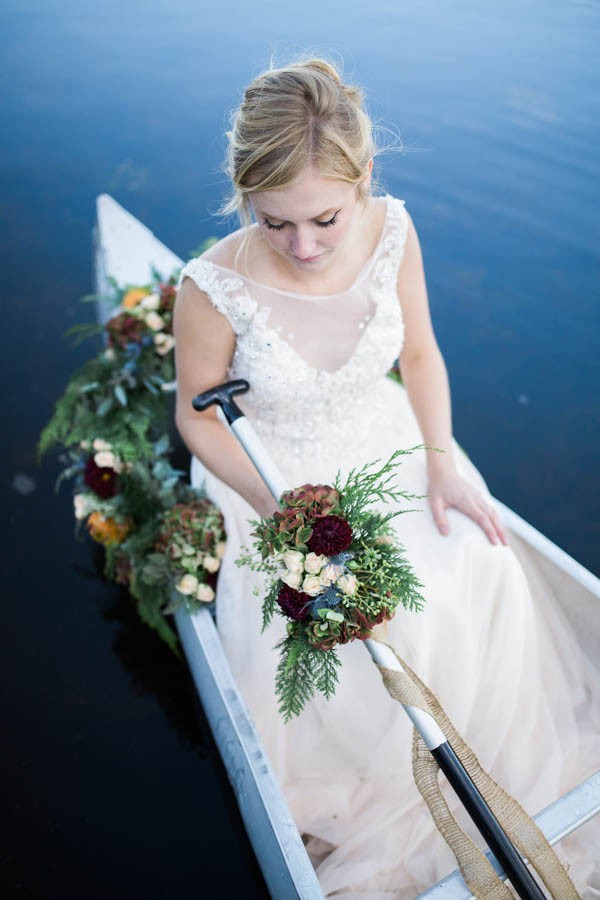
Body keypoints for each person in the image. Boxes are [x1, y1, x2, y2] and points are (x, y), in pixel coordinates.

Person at [173, 58, 600, 897]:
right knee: (364, 614)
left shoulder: (395, 229)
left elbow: (418, 353)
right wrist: (281, 512)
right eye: (274, 223)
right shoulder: (210, 286)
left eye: (325, 219)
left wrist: (442, 461)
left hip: (388, 438)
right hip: (274, 473)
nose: (302, 246)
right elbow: (195, 416)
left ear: (366, 178)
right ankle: (361, 781)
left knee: (476, 564)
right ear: (243, 197)